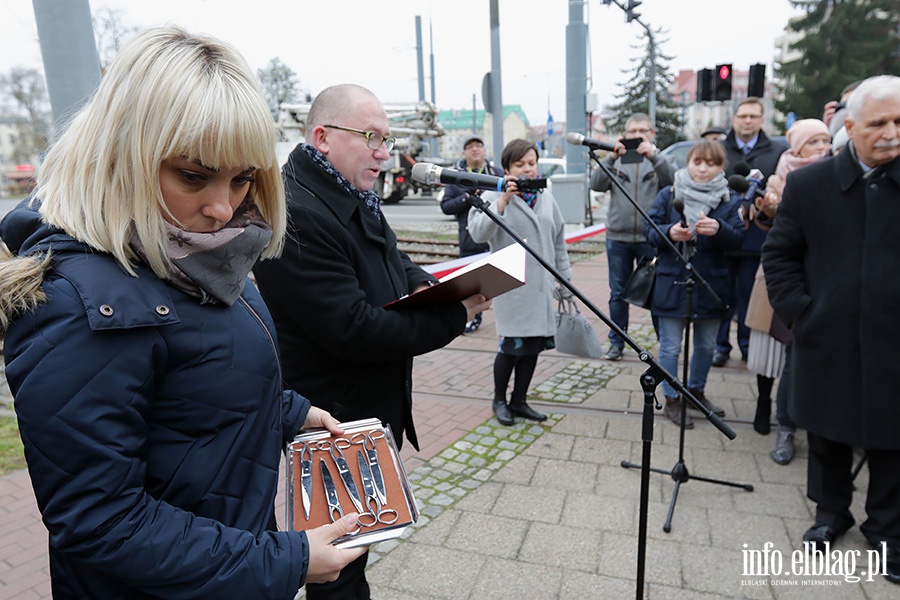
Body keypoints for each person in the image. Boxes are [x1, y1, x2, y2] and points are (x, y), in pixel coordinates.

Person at [0, 27, 366, 599]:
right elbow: (101, 522)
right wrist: (283, 562)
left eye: (243, 178)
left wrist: (287, 412)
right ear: (124, 152)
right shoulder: (75, 304)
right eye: (194, 175)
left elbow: (195, 374)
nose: (223, 207)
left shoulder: (193, 252)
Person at [251, 83, 490, 599]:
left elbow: (390, 256)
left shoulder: (346, 190)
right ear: (322, 136)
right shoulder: (297, 213)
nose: (386, 152)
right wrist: (454, 313)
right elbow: (354, 329)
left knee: (357, 551)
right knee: (339, 566)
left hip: (365, 413)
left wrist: (426, 281)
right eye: (372, 137)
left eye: (387, 138)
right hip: (334, 424)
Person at [762, 74, 900, 583]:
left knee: (892, 439)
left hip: (894, 340)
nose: (892, 132)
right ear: (849, 125)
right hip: (827, 335)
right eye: (879, 122)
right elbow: (779, 255)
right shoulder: (810, 183)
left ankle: (887, 529)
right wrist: (802, 312)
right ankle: (830, 514)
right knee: (826, 433)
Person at [468, 139, 572, 426]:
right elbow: (477, 233)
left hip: (540, 286)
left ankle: (520, 401)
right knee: (511, 347)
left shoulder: (546, 197)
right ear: (507, 168)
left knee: (533, 347)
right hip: (510, 285)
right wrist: (502, 202)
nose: (528, 169)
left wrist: (564, 277)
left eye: (532, 163)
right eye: (520, 164)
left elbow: (558, 240)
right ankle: (499, 400)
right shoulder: (494, 195)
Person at [745, 119, 831, 467]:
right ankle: (784, 425)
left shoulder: (839, 175)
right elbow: (768, 229)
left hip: (826, 279)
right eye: (814, 142)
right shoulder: (780, 179)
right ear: (797, 147)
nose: (823, 147)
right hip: (786, 282)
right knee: (779, 356)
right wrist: (768, 211)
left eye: (827, 140)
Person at [645, 140, 745, 427]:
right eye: (697, 162)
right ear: (688, 163)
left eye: (711, 164)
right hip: (671, 281)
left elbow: (738, 240)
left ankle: (695, 391)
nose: (703, 169)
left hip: (712, 284)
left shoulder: (730, 200)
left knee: (705, 346)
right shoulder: (670, 193)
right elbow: (650, 232)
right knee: (670, 347)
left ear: (721, 167)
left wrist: (719, 229)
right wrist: (670, 232)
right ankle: (671, 398)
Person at [590, 113, 674, 361]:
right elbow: (596, 184)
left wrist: (654, 157)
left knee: (656, 292)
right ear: (624, 135)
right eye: (633, 131)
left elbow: (672, 182)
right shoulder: (615, 160)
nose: (637, 136)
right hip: (618, 237)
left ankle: (664, 343)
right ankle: (617, 342)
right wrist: (611, 155)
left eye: (643, 131)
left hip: (651, 238)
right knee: (618, 293)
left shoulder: (661, 159)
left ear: (652, 133)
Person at [711, 98, 788, 367]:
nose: (747, 121)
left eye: (753, 116)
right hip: (724, 234)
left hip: (757, 237)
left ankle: (746, 345)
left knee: (748, 294)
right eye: (743, 116)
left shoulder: (777, 151)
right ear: (734, 119)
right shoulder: (719, 149)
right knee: (721, 294)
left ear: (762, 120)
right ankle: (720, 345)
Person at [440, 135, 503, 333]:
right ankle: (471, 318)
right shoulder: (454, 178)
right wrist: (467, 199)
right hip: (469, 239)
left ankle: (505, 321)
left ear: (485, 151)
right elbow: (446, 206)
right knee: (471, 285)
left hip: (496, 238)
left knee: (500, 282)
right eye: (470, 147)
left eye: (479, 145)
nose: (475, 149)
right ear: (464, 153)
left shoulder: (497, 173)